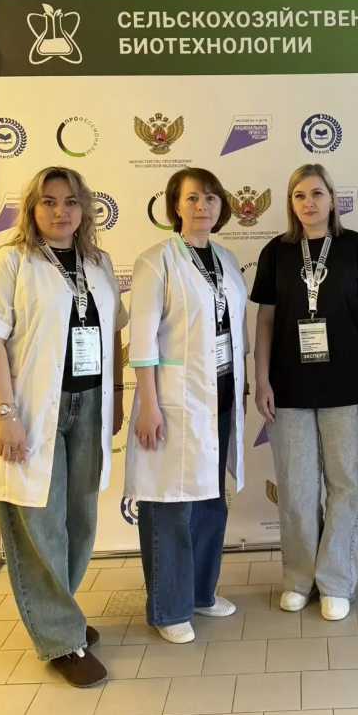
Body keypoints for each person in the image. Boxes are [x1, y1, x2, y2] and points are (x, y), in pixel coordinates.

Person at [0, 167, 126, 687]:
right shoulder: (11, 262)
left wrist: (117, 396)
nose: (61, 211)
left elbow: (113, 333)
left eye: (71, 202)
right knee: (39, 523)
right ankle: (60, 637)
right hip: (33, 410)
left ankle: (62, 613)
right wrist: (6, 415)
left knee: (79, 520)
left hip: (89, 404)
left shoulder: (98, 263)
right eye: (50, 202)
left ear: (85, 209)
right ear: (32, 208)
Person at [252, 163, 358, 621]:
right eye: (299, 196)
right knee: (296, 488)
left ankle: (336, 581)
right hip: (288, 388)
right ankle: (299, 578)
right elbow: (265, 321)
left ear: (333, 199)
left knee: (344, 486)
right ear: (291, 204)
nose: (308, 203)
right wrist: (262, 378)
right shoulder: (276, 252)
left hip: (347, 387)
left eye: (316, 194)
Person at [126, 168, 248, 644]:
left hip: (220, 397)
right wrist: (149, 406)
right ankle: (168, 608)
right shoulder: (156, 260)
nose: (203, 206)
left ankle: (200, 593)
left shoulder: (226, 259)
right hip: (174, 401)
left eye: (211, 198)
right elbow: (141, 340)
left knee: (211, 501)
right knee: (169, 506)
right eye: (192, 197)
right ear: (175, 205)